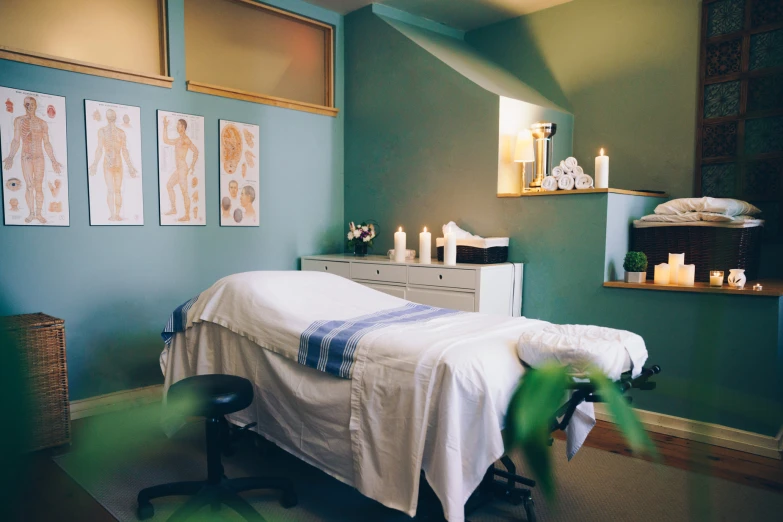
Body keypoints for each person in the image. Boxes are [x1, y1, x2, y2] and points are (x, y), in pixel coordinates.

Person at [2, 96, 63, 224]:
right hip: (26, 157)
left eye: (32, 104)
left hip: (39, 157)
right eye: (27, 105)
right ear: (24, 106)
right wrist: (11, 156)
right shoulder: (19, 121)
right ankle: (31, 213)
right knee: (29, 186)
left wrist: (53, 160)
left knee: (38, 187)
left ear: (35, 106)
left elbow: (47, 143)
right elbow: (16, 140)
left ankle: (39, 214)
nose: (29, 107)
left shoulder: (42, 123)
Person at [88, 109, 136, 221]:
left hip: (115, 164)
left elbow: (124, 150)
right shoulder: (105, 132)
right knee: (113, 190)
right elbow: (100, 149)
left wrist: (130, 166)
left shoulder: (118, 132)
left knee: (115, 190)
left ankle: (116, 215)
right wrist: (94, 164)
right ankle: (114, 215)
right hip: (110, 164)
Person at [162, 117, 199, 222]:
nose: (176, 126)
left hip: (183, 168)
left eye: (178, 125)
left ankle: (187, 215)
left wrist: (192, 165)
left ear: (183, 127)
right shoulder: (179, 140)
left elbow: (196, 151)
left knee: (184, 191)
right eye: (177, 124)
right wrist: (165, 127)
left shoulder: (186, 140)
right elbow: (166, 140)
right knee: (169, 185)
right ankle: (174, 209)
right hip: (179, 169)